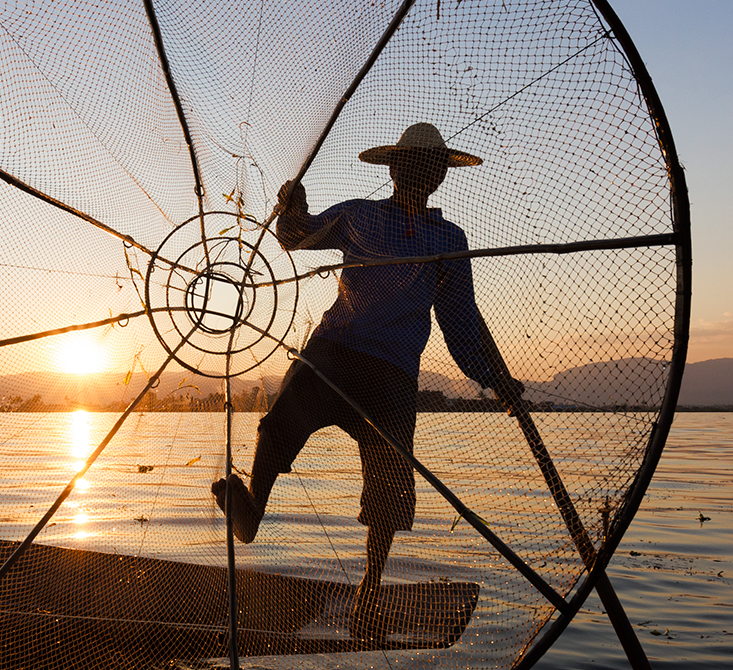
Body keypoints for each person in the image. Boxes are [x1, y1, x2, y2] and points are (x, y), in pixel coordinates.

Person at [212, 122, 523, 637]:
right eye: (412, 166)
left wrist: (498, 379)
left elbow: (461, 321)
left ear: (439, 177)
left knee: (389, 482)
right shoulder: (358, 216)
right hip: (334, 352)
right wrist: (293, 206)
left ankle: (368, 592)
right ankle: (250, 515)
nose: (421, 175)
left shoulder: (447, 240)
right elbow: (296, 237)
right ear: (395, 170)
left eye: (432, 168)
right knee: (279, 427)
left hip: (391, 372)